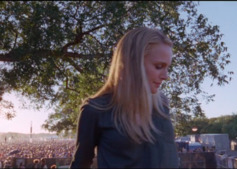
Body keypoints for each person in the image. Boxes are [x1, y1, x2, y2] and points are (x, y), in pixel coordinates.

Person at [70, 27, 179, 168]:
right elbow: (80, 163)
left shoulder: (161, 104)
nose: (165, 76)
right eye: (159, 66)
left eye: (167, 68)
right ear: (133, 63)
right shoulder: (95, 109)